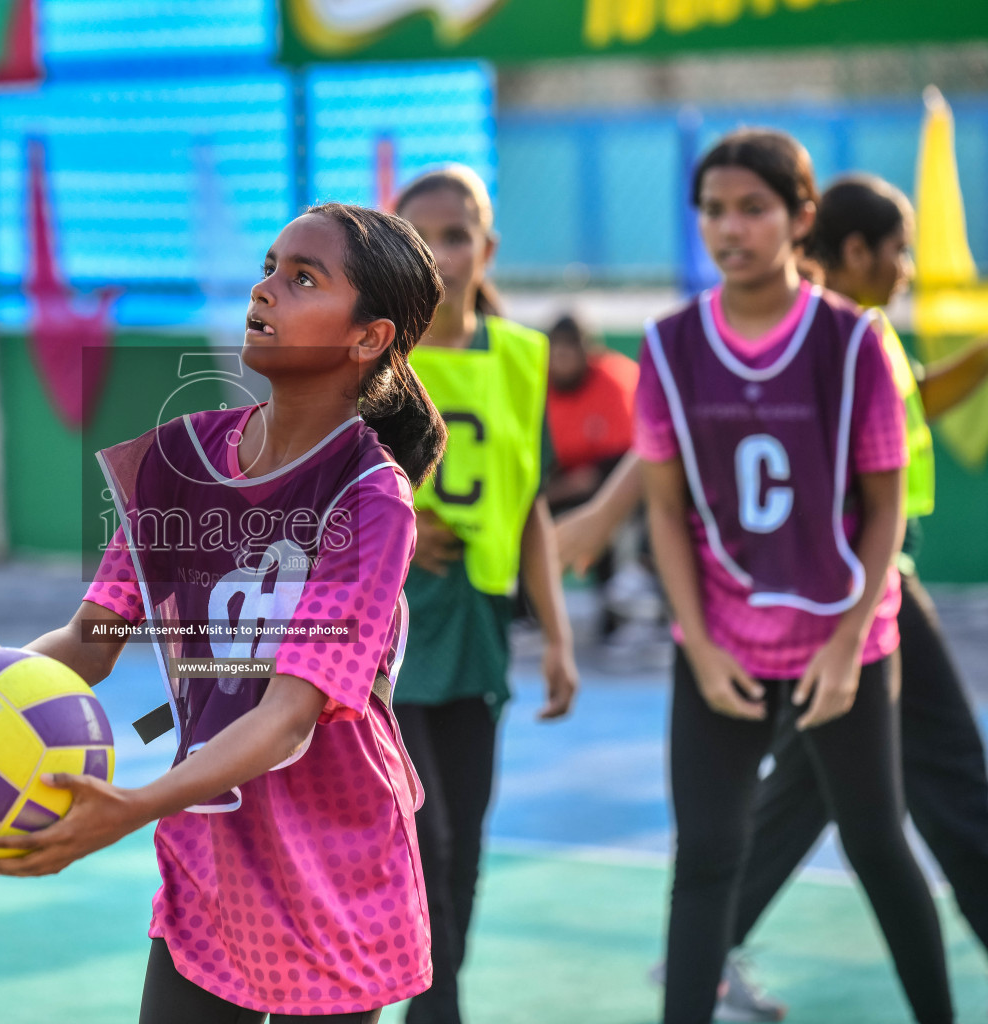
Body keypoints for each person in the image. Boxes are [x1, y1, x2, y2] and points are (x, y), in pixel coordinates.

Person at [0, 202, 448, 1023]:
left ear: (369, 337)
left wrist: (136, 805)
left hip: (331, 864)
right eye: (269, 266)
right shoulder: (179, 459)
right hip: (211, 862)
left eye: (303, 279)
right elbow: (91, 641)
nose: (265, 291)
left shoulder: (369, 497)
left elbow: (290, 717)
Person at [560, 172, 988, 1022]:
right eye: (897, 252)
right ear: (853, 250)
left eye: (749, 210)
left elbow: (894, 436)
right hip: (839, 601)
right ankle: (711, 954)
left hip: (852, 605)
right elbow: (677, 452)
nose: (906, 270)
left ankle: (717, 950)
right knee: (921, 795)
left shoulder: (851, 340)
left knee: (840, 802)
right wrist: (604, 517)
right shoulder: (804, 339)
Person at [390, 166, 579, 1024]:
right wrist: (399, 535)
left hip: (477, 627)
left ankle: (430, 998)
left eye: (457, 234)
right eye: (420, 235)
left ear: (487, 247)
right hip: (383, 634)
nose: (441, 252)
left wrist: (561, 635)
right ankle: (435, 1009)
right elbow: (307, 501)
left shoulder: (521, 359)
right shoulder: (368, 359)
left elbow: (531, 498)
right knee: (422, 841)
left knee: (462, 850)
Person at [544, 312, 650, 640]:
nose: (562, 361)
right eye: (556, 352)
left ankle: (619, 612)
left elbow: (622, 462)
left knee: (603, 518)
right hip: (562, 484)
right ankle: (525, 611)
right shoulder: (535, 384)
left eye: (569, 351)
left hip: (620, 483)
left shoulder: (615, 381)